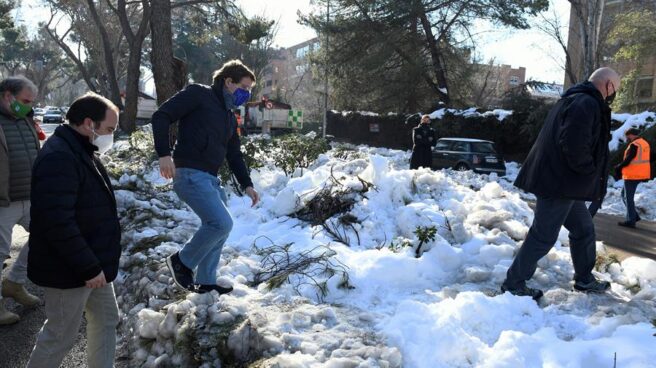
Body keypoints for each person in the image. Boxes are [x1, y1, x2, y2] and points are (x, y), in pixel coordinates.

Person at [501, 67, 621, 301]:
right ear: (607, 85)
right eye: (614, 89)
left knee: (584, 228)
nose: (612, 95)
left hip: (565, 182)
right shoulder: (585, 103)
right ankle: (514, 284)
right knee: (543, 235)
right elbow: (574, 143)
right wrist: (588, 171)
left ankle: (584, 279)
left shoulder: (577, 100)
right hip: (559, 183)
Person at [27, 93, 121, 367]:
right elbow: (57, 222)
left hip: (94, 263)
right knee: (59, 337)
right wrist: (88, 267)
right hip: (71, 268)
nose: (111, 135)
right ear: (89, 123)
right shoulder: (60, 157)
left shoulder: (81, 149)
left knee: (106, 319)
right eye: (110, 129)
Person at [152, 59, 260, 294]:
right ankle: (182, 262)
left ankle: (206, 280)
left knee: (221, 228)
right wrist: (163, 154)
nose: (246, 94)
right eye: (243, 88)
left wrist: (247, 184)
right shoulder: (198, 95)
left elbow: (234, 154)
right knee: (220, 223)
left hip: (210, 178)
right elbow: (161, 115)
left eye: (249, 91)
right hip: (190, 174)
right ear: (228, 81)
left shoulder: (229, 116)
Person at [0, 76, 41, 325]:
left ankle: (14, 283)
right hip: (3, 202)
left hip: (30, 196)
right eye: (25, 101)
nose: (28, 106)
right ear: (8, 95)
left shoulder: (26, 119)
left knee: (45, 235)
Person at [615, 128, 651, 228]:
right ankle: (634, 216)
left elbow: (628, 159)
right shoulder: (644, 143)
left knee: (628, 198)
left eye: (627, 136)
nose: (627, 138)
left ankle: (631, 221)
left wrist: (619, 166)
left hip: (632, 174)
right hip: (640, 174)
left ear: (631, 135)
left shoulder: (634, 144)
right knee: (624, 195)